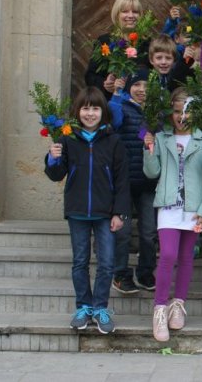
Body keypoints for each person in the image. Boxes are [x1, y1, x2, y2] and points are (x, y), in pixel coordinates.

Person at [44, 87, 129, 334]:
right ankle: (83, 306)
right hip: (78, 211)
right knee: (80, 261)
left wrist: (119, 213)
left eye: (95, 108)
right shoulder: (68, 139)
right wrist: (53, 158)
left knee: (106, 263)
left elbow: (122, 181)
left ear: (103, 112)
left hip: (105, 213)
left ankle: (100, 307)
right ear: (77, 111)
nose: (90, 113)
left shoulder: (113, 141)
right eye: (85, 108)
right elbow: (55, 174)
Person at [143, 88, 202, 342]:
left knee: (186, 257)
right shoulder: (163, 138)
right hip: (168, 206)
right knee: (168, 255)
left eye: (187, 111)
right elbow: (152, 173)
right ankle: (160, 309)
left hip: (194, 208)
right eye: (176, 111)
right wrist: (149, 148)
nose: (181, 116)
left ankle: (178, 304)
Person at [109, 68, 158, 294]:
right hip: (125, 183)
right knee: (123, 232)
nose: (142, 90)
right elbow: (114, 119)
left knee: (148, 232)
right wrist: (117, 94)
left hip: (148, 183)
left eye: (147, 86)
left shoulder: (156, 112)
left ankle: (145, 272)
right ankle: (120, 274)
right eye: (137, 85)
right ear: (130, 87)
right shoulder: (122, 107)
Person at [85, 0, 146, 99]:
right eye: (125, 11)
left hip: (138, 105)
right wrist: (106, 84)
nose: (131, 15)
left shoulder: (146, 43)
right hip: (110, 103)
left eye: (135, 12)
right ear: (117, 14)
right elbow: (90, 76)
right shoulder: (105, 42)